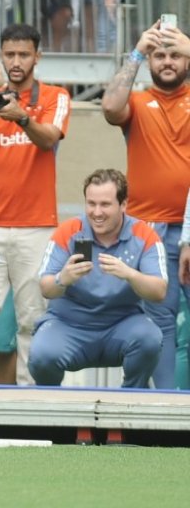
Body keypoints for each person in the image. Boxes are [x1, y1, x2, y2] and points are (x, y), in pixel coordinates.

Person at [0, 23, 71, 385]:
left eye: (24, 54)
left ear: (38, 56)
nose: (16, 61)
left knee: (33, 317)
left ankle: (34, 402)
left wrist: (21, 116)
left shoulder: (56, 95)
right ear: (2, 56)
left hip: (37, 226)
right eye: (10, 54)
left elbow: (48, 138)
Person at [101, 21, 190, 389]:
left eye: (176, 55)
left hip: (188, 229)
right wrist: (137, 51)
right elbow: (109, 107)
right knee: (160, 321)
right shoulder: (137, 102)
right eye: (159, 55)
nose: (167, 61)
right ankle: (170, 408)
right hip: (148, 230)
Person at [30, 169, 166, 389]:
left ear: (123, 205)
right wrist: (62, 279)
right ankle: (54, 411)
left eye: (105, 204)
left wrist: (130, 274)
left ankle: (130, 400)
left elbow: (159, 291)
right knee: (41, 355)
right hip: (69, 326)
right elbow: (46, 288)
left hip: (122, 326)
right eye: (91, 204)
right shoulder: (68, 232)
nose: (97, 212)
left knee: (149, 339)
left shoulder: (144, 235)